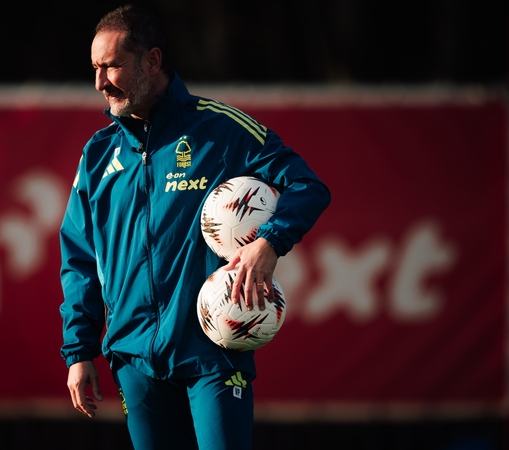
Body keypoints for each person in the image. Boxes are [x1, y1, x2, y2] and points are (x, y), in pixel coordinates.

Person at [59, 4, 330, 449]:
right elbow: (79, 259)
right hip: (133, 356)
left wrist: (270, 242)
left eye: (111, 66)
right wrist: (78, 351)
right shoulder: (97, 154)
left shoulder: (220, 129)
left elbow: (307, 185)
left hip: (215, 349)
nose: (100, 82)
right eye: (95, 68)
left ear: (152, 61)